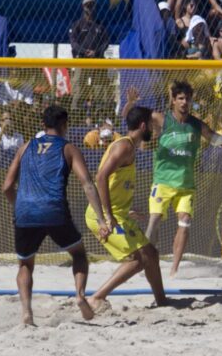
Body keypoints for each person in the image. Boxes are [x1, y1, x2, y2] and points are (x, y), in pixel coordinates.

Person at [121, 81, 222, 277]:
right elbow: (131, 119)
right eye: (180, 98)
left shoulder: (197, 125)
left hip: (186, 185)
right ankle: (145, 264)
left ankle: (174, 269)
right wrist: (129, 103)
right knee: (154, 221)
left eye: (187, 99)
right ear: (173, 100)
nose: (184, 102)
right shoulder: (161, 119)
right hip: (162, 182)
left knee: (185, 221)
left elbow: (221, 141)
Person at [1, 105, 110, 325]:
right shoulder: (68, 148)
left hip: (25, 212)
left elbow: (7, 186)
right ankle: (79, 296)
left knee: (25, 265)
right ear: (64, 125)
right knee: (79, 254)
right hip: (54, 210)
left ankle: (27, 313)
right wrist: (101, 219)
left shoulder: (25, 147)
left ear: (43, 124)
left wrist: (20, 205)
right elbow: (87, 184)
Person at [86, 106, 167, 311]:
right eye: (151, 124)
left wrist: (123, 211)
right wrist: (108, 217)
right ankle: (97, 297)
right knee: (138, 259)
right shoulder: (124, 147)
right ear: (142, 126)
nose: (153, 128)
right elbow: (101, 177)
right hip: (102, 215)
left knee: (152, 254)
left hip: (117, 213)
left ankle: (163, 302)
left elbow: (113, 182)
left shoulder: (128, 145)